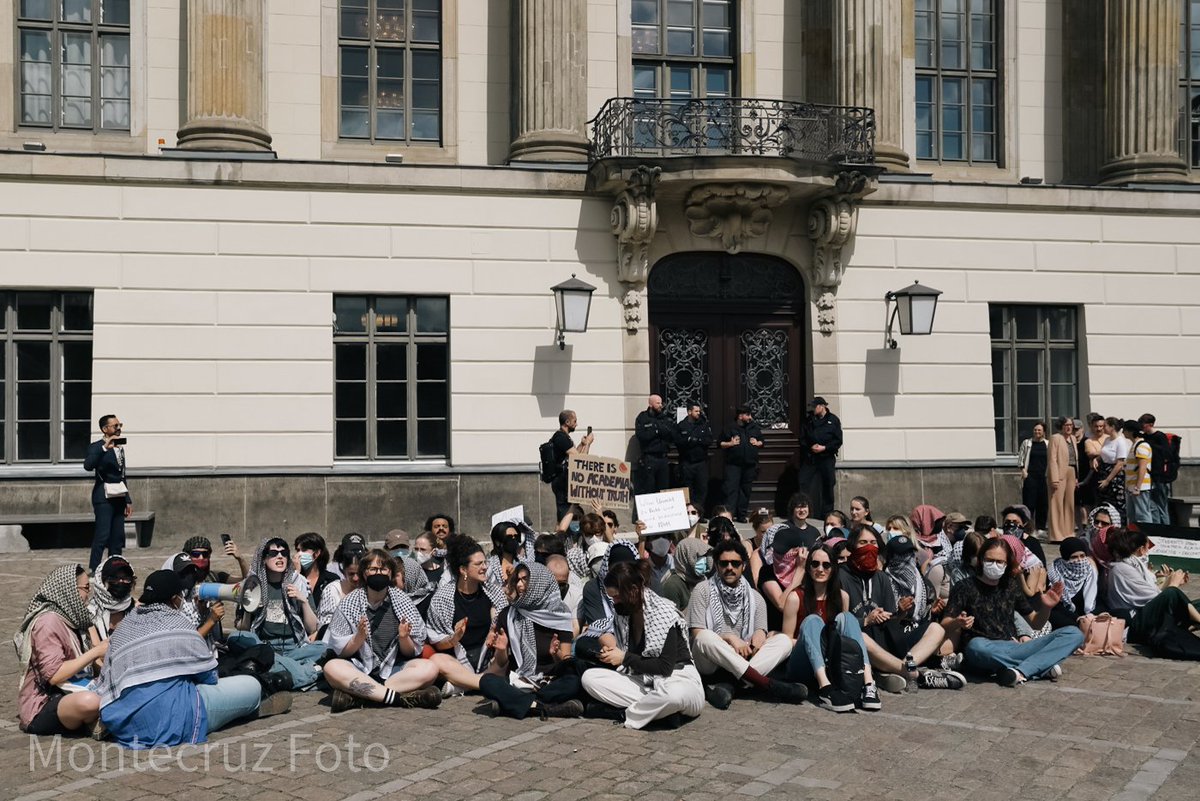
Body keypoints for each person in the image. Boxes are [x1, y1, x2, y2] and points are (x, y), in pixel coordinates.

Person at [95, 570, 273, 748]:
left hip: (124, 723)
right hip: (173, 717)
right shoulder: (179, 624)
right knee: (252, 686)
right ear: (175, 598)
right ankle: (249, 705)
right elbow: (209, 677)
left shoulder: (125, 626)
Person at [578, 560, 704, 729]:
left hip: (678, 679)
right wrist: (612, 654)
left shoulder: (664, 613)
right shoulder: (623, 614)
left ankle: (624, 714)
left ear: (633, 591)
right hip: (644, 681)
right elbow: (631, 661)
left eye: (616, 596)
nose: (613, 602)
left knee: (672, 696)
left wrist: (623, 657)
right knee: (590, 678)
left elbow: (664, 667)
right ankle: (660, 713)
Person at [941, 537, 1083, 686]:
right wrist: (958, 622)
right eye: (989, 560)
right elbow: (945, 623)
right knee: (976, 647)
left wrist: (1047, 607)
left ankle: (1021, 671)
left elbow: (1036, 623)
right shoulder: (965, 586)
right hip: (983, 647)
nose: (994, 565)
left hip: (1014, 646)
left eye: (1000, 562)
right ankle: (1040, 664)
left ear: (1007, 564)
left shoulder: (1010, 586)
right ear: (981, 560)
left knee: (1074, 633)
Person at [687, 539, 806, 708]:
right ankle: (767, 684)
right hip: (710, 662)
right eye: (724, 563)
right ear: (717, 565)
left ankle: (729, 685)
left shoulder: (755, 597)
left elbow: (760, 630)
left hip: (744, 657)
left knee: (784, 641)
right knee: (705, 637)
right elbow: (697, 633)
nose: (729, 567)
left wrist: (759, 636)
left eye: (735, 563)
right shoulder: (703, 589)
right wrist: (729, 638)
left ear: (743, 566)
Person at [842, 528, 962, 692]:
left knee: (936, 628)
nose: (869, 547)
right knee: (859, 637)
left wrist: (899, 613)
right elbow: (839, 621)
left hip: (887, 637)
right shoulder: (841, 576)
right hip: (861, 638)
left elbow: (893, 621)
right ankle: (915, 675)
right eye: (863, 543)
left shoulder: (881, 577)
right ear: (852, 546)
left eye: (873, 543)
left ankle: (897, 669)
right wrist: (866, 620)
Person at [323, 549, 442, 712]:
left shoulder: (402, 601)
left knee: (430, 669)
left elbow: (411, 653)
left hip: (394, 670)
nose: (378, 573)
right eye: (373, 569)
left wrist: (404, 638)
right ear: (365, 574)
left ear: (391, 573)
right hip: (360, 669)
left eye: (383, 569)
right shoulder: (349, 603)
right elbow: (340, 652)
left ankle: (362, 696)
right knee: (331, 668)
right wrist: (358, 638)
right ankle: (400, 698)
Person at [477, 562, 584, 720]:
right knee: (487, 681)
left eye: (525, 579)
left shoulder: (559, 614)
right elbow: (501, 664)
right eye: (518, 580)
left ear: (539, 581)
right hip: (518, 679)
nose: (520, 585)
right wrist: (501, 650)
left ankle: (515, 703)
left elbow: (565, 662)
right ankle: (545, 708)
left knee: (574, 681)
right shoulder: (508, 614)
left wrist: (556, 654)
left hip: (549, 680)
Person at [781, 545, 880, 713]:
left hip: (830, 662)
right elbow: (786, 641)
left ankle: (868, 683)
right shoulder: (795, 597)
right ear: (808, 567)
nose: (820, 569)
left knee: (848, 618)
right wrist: (815, 641)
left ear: (834, 568)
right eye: (815, 564)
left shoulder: (842, 597)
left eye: (826, 565)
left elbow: (846, 637)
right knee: (812, 621)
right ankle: (825, 688)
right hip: (802, 664)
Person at [15, 564, 105, 736]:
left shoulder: (74, 618)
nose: (88, 595)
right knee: (90, 702)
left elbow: (95, 660)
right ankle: (93, 718)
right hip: (46, 702)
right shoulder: (47, 623)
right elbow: (54, 675)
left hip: (77, 687)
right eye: (86, 588)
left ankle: (95, 719)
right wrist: (95, 652)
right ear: (69, 590)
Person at [231, 538, 326, 690]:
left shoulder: (298, 582)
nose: (280, 557)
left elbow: (312, 628)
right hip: (264, 647)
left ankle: (281, 672)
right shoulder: (252, 585)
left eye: (284, 553)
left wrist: (303, 601)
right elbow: (242, 628)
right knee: (235, 639)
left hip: (293, 647)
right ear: (263, 559)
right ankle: (310, 674)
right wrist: (250, 608)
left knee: (324, 649)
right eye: (274, 553)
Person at [426, 535, 510, 693]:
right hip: (458, 660)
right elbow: (436, 641)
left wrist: (495, 633)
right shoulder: (442, 598)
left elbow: (505, 626)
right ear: (463, 569)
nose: (484, 567)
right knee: (437, 660)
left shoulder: (493, 593)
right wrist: (454, 638)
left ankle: (462, 685)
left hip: (488, 657)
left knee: (506, 656)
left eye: (485, 562)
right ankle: (483, 684)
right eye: (478, 564)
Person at [1105, 527, 1200, 649]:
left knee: (1187, 600)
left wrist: (1169, 582)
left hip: (1146, 615)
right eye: (1147, 548)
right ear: (1140, 550)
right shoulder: (1122, 569)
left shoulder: (1133, 566)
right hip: (1135, 624)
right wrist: (1172, 583)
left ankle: (1193, 621)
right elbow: (1158, 599)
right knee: (1172, 593)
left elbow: (1154, 595)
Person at [83, 414, 133, 572]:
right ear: (105, 429)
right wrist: (105, 448)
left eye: (120, 425)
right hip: (103, 497)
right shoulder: (97, 446)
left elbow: (122, 476)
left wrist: (127, 499)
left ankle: (114, 568)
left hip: (118, 496)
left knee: (117, 537)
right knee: (102, 535)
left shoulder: (120, 448)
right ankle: (94, 568)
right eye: (115, 426)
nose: (118, 429)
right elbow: (88, 465)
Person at [759, 525, 814, 633]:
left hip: (804, 630)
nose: (778, 555)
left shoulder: (810, 571)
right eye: (777, 550)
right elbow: (782, 604)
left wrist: (803, 569)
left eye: (783, 551)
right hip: (777, 632)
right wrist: (798, 574)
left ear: (798, 551)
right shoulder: (767, 572)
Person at [796, 397, 842, 518]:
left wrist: (825, 448)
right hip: (811, 457)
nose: (812, 409)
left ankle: (827, 513)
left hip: (826, 457)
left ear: (822, 406)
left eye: (814, 406)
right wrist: (811, 447)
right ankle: (804, 510)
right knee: (803, 481)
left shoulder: (833, 420)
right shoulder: (809, 421)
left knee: (828, 484)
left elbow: (838, 440)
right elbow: (802, 438)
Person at [719, 406, 763, 522]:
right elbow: (720, 443)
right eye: (747, 415)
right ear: (740, 416)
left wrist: (758, 442)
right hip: (733, 464)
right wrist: (730, 443)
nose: (750, 417)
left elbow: (762, 441)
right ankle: (730, 515)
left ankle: (742, 515)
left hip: (749, 465)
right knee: (731, 490)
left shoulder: (753, 427)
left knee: (745, 490)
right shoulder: (730, 427)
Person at [1045, 537, 1098, 630]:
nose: (1079, 560)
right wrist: (1077, 618)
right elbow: (1056, 606)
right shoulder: (1054, 574)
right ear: (1065, 558)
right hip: (1066, 616)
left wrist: (1091, 616)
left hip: (1087, 617)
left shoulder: (1091, 572)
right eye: (1074, 557)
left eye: (1082, 556)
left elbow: (1098, 598)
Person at [549, 410, 594, 519]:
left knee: (564, 514)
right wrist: (588, 443)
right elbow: (580, 461)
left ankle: (561, 533)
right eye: (575, 421)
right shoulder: (561, 438)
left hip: (562, 480)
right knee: (565, 515)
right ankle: (560, 534)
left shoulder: (562, 437)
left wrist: (581, 444)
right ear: (567, 422)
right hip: (561, 481)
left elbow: (573, 456)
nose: (576, 424)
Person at [676, 402, 714, 513]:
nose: (699, 413)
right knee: (688, 489)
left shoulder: (703, 425)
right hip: (686, 462)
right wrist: (689, 440)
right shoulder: (681, 426)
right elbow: (678, 442)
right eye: (696, 411)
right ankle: (688, 512)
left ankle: (699, 513)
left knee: (701, 488)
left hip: (700, 462)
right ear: (689, 412)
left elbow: (709, 440)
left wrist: (697, 440)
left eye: (699, 411)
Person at [635, 394, 675, 494]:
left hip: (663, 458)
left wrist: (658, 431)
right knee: (649, 488)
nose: (661, 405)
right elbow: (642, 436)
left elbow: (671, 434)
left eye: (661, 403)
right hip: (649, 458)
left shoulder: (665, 418)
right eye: (658, 403)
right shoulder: (642, 417)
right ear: (651, 404)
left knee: (663, 489)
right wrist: (656, 431)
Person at [1122, 419, 1160, 525]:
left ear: (1130, 431)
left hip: (1140, 488)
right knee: (1133, 516)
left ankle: (1147, 536)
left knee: (1142, 515)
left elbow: (1142, 468)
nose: (1123, 432)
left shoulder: (1141, 446)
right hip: (1132, 487)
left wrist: (1137, 487)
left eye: (1124, 430)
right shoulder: (1135, 445)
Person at [1047, 416, 1079, 541]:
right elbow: (1052, 459)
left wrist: (1076, 476)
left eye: (1071, 425)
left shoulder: (1073, 438)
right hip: (1059, 472)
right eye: (1066, 425)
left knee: (1069, 503)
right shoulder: (1055, 438)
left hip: (1071, 471)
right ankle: (1056, 535)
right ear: (1061, 426)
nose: (1069, 427)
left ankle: (1068, 532)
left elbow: (1076, 459)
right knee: (1056, 503)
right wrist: (1054, 478)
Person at [89, 556, 135, 641]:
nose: (121, 581)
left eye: (126, 578)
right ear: (101, 580)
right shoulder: (89, 614)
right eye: (115, 578)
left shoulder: (137, 611)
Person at [317, 546, 362, 634]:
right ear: (344, 571)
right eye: (351, 574)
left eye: (359, 573)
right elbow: (325, 624)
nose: (356, 578)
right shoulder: (332, 590)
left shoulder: (370, 590)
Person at [660, 537, 712, 612]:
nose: (704, 560)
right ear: (685, 557)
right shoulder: (672, 585)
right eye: (698, 557)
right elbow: (672, 619)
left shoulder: (704, 580)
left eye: (705, 556)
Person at [1139, 413, 1173, 524]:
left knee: (1162, 505)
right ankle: (1157, 527)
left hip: (1159, 477)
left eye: (1144, 425)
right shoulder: (1144, 437)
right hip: (1150, 475)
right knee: (1152, 506)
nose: (1142, 428)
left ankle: (1166, 529)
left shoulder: (1159, 436)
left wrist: (1150, 446)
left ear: (1151, 424)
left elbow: (1167, 453)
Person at [295, 532, 340, 612]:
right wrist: (296, 574)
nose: (299, 554)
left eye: (304, 550)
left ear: (316, 554)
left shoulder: (331, 579)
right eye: (298, 550)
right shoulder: (293, 577)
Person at [1018, 422, 1050, 532]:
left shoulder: (1048, 444)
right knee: (1029, 503)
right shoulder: (1027, 443)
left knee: (1043, 503)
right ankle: (1029, 527)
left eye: (1039, 430)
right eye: (1035, 430)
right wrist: (1023, 471)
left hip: (1043, 477)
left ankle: (1041, 527)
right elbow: (1021, 458)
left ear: (1044, 432)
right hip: (1030, 476)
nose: (1037, 432)